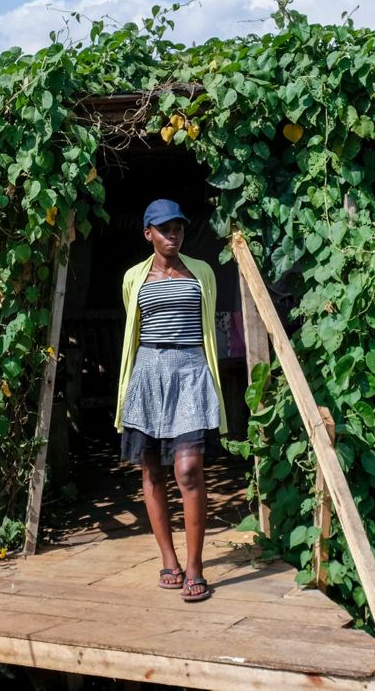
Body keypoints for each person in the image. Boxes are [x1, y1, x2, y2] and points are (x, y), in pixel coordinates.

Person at [115, 198, 226, 603]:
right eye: (164, 229)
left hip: (191, 369)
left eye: (178, 228)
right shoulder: (133, 278)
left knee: (189, 469)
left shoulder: (201, 274)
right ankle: (169, 560)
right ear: (149, 234)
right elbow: (135, 328)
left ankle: (195, 566)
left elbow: (208, 326)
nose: (173, 235)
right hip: (148, 373)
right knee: (151, 471)